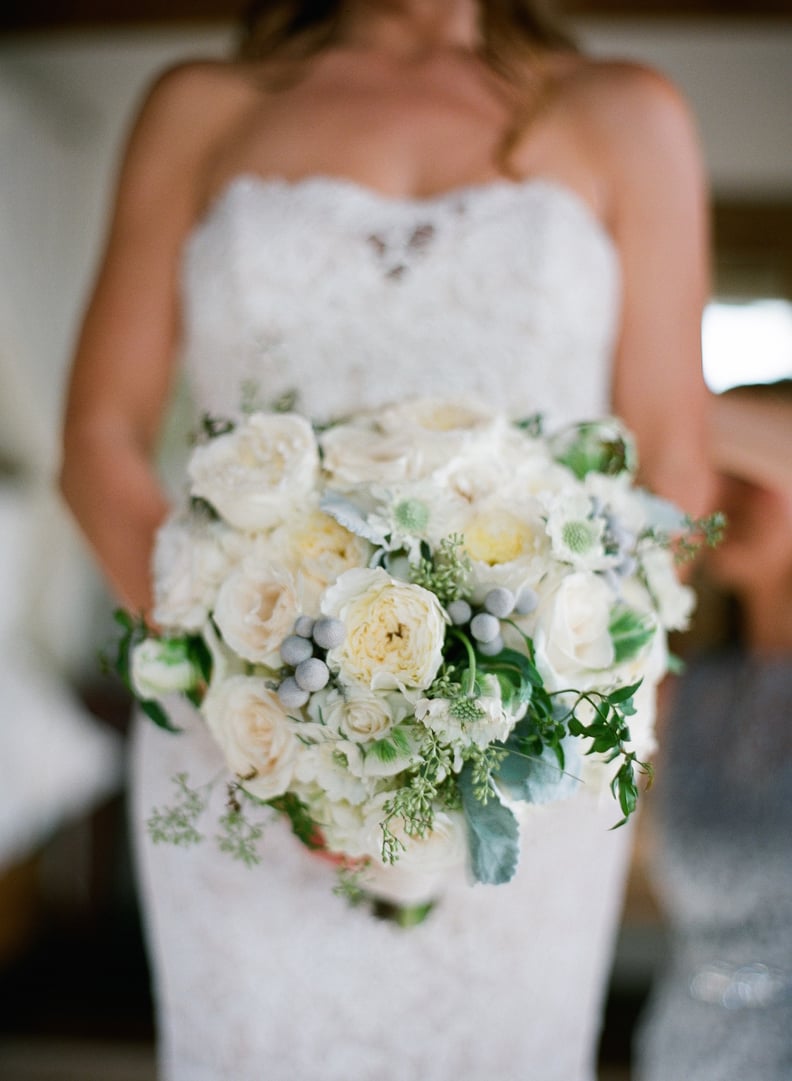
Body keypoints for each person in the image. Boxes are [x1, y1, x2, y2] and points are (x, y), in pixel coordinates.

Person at [58, 2, 715, 1078]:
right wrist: (249, 696)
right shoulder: (204, 110)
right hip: (235, 739)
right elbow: (98, 437)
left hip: (517, 752)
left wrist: (524, 716)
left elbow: (674, 468)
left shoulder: (623, 115)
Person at [634, 382, 792, 1081]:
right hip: (686, 1050)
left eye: (741, 470)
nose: (713, 489)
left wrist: (676, 417)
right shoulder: (687, 689)